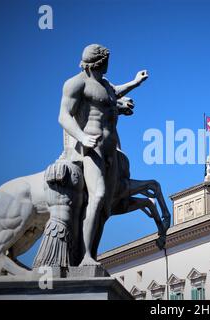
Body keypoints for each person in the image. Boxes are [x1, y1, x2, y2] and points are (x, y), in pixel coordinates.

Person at [58, 44, 148, 265]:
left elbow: (115, 92)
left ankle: (92, 254)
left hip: (110, 150)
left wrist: (135, 82)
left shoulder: (104, 84)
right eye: (107, 60)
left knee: (106, 208)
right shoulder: (76, 83)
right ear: (99, 62)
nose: (109, 64)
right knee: (97, 197)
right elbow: (63, 116)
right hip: (93, 146)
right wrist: (81, 137)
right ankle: (86, 257)